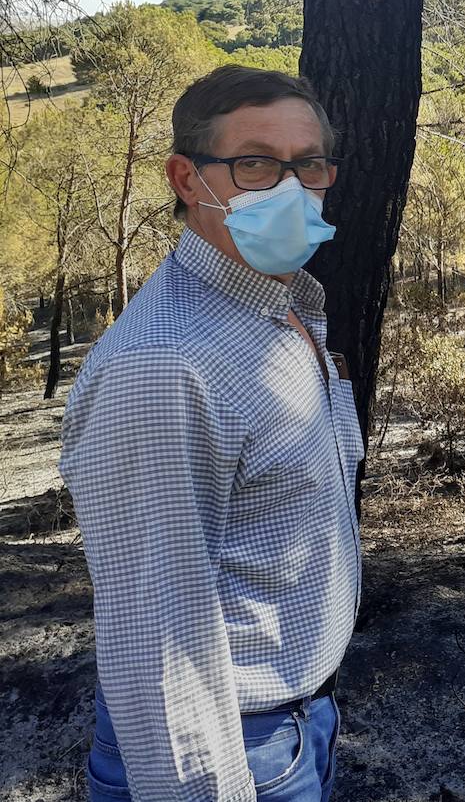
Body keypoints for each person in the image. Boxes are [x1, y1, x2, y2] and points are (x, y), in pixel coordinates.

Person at [59, 65, 363, 801]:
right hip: (228, 748)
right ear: (187, 178)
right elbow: (158, 647)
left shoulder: (285, 308)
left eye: (309, 164)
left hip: (299, 723)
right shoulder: (165, 365)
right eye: (255, 163)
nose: (290, 189)